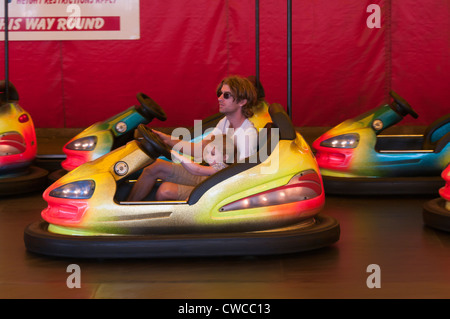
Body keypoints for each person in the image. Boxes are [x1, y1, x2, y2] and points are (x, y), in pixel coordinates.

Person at [127, 75, 258, 201]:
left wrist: (201, 195)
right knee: (154, 166)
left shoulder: (247, 135)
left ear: (242, 101)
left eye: (226, 95)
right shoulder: (225, 122)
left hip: (220, 188)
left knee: (165, 190)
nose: (220, 98)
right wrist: (165, 139)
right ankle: (126, 212)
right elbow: (199, 150)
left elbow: (242, 179)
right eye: (220, 93)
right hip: (209, 176)